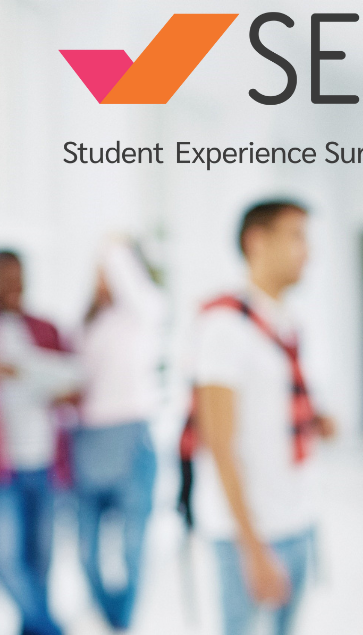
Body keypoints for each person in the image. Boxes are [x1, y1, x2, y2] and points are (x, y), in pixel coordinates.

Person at [188, 201, 335, 635]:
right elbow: (218, 441)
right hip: (249, 532)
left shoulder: (286, 322)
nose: (307, 252)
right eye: (296, 237)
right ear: (257, 242)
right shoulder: (223, 326)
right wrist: (252, 548)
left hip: (296, 517)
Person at [74, 239, 166, 631]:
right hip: (88, 440)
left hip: (131, 437)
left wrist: (114, 244)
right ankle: (111, 614)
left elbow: (136, 290)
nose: (102, 277)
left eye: (108, 268)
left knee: (132, 546)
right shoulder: (88, 322)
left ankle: (123, 621)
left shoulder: (144, 312)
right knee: (86, 550)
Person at [0, 250, 81, 635]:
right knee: (7, 560)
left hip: (46, 462)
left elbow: (75, 387)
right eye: (5, 280)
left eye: (18, 279)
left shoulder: (45, 329)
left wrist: (49, 384)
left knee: (41, 561)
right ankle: (51, 629)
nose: (13, 288)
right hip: (4, 470)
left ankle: (33, 629)